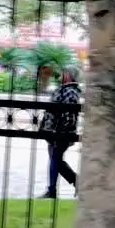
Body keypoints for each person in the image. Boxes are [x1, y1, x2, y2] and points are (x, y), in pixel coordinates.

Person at [42, 67, 81, 199]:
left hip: (60, 132)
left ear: (70, 75)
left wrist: (63, 132)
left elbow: (69, 115)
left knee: (55, 160)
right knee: (56, 161)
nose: (63, 74)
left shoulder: (71, 91)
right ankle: (76, 182)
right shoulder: (63, 88)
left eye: (66, 72)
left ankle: (52, 190)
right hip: (52, 131)